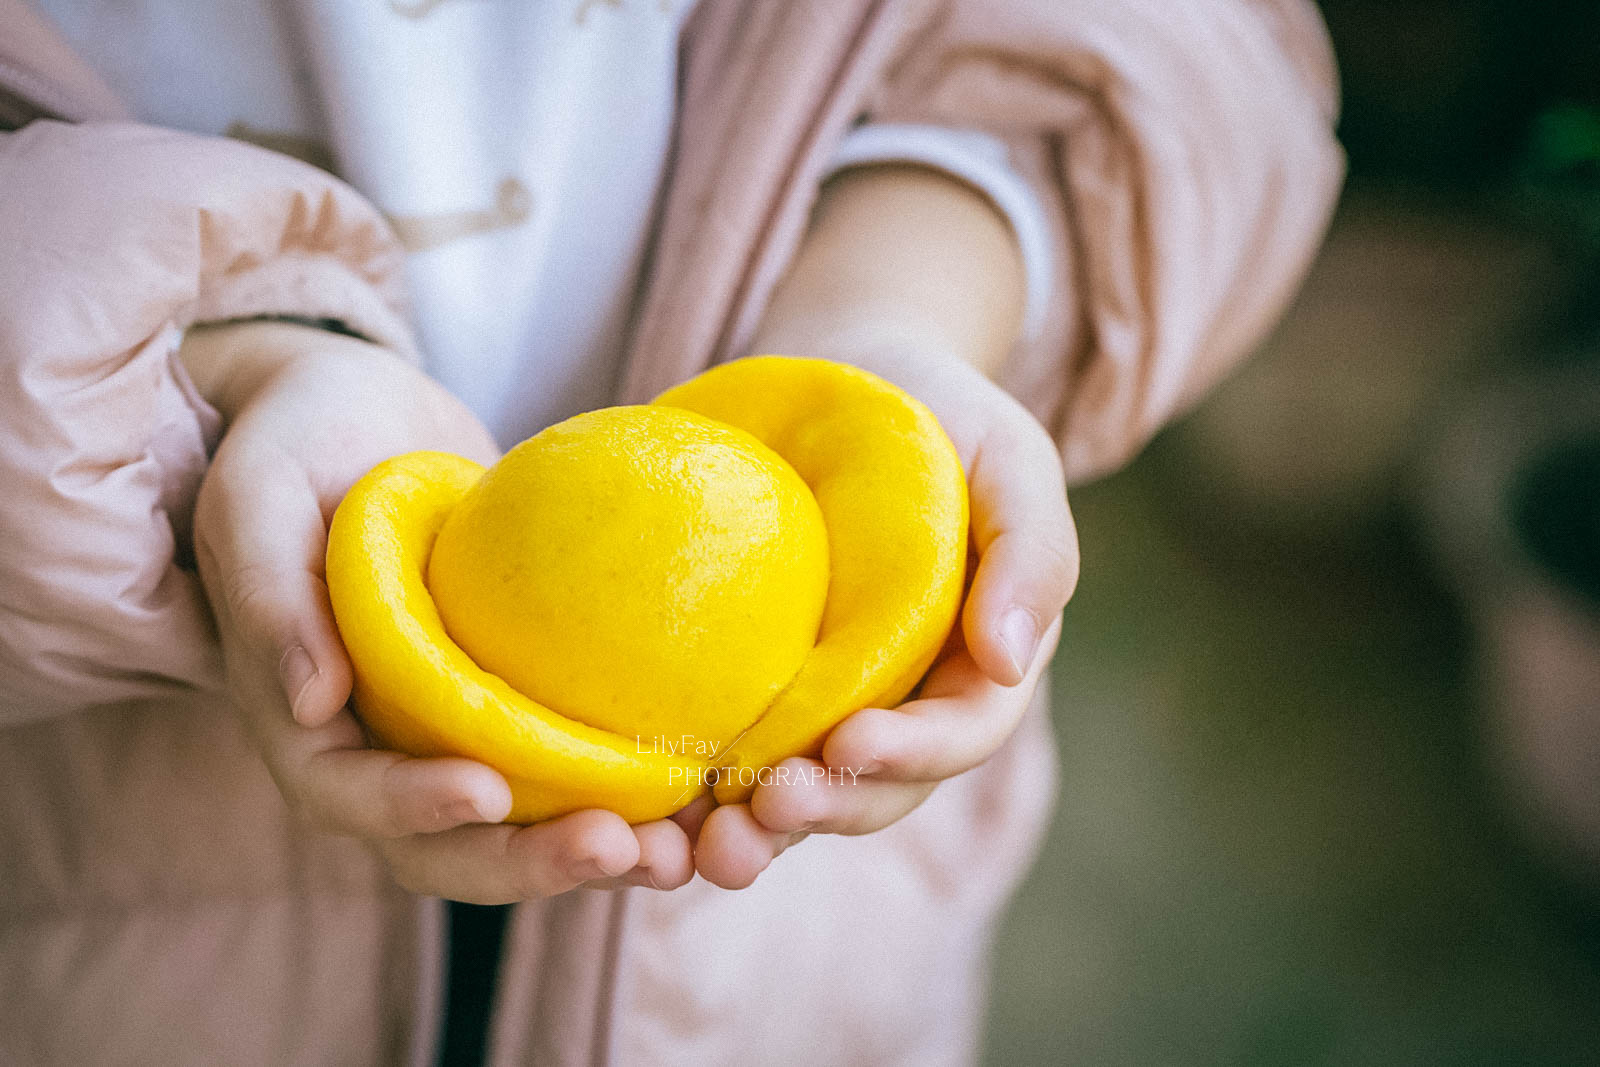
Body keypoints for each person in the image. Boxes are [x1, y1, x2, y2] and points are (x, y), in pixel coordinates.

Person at [0, 1, 1343, 1063]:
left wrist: (901, 301)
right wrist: (219, 365)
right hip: (96, 899)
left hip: (791, 969)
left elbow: (1171, 42)